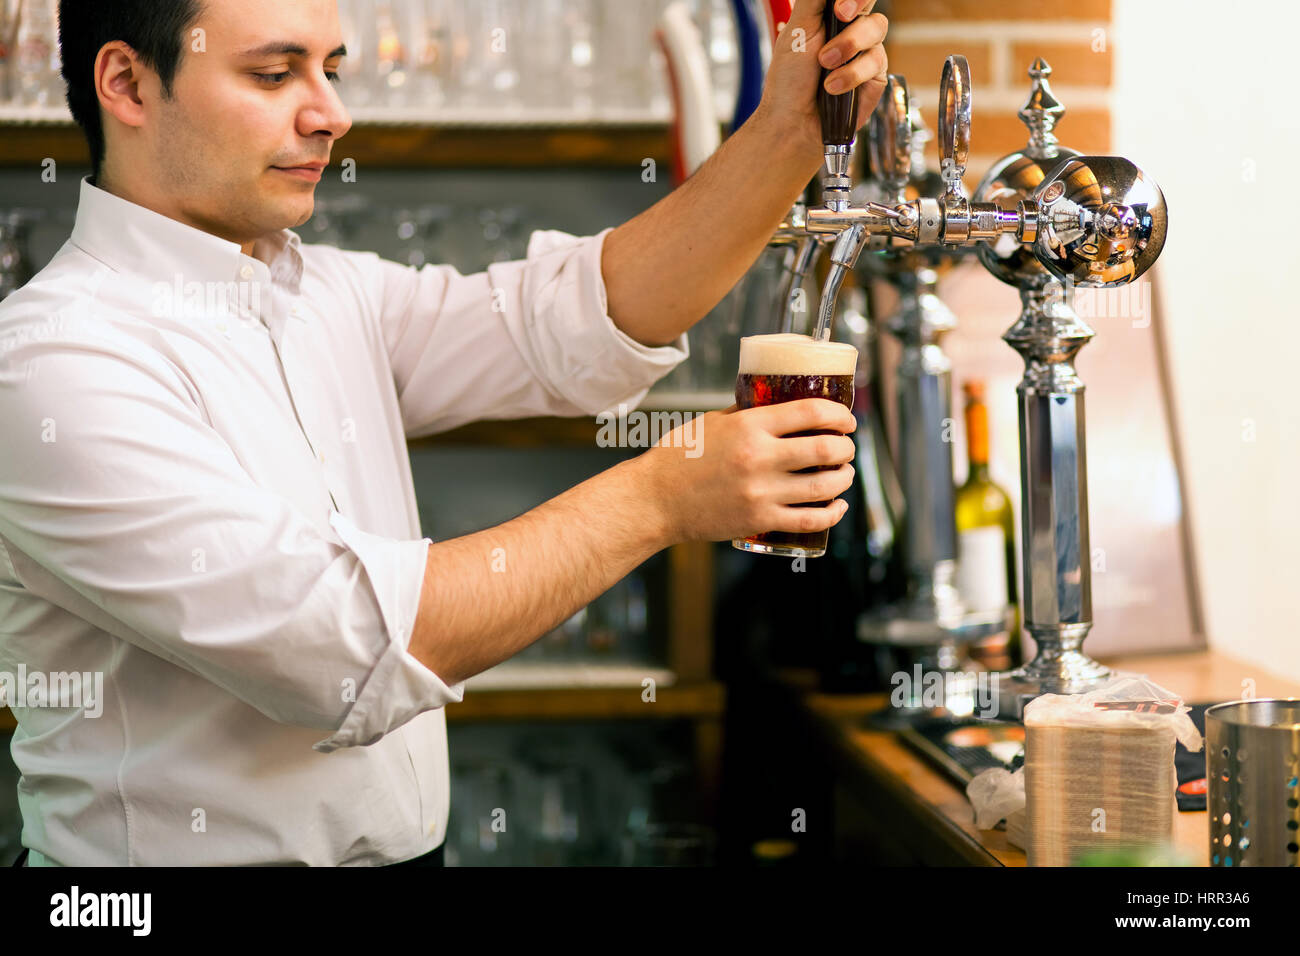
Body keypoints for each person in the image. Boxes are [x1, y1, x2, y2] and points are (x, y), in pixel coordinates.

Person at [0, 0, 887, 865]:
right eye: (273, 74)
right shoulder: (53, 362)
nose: (332, 115)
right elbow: (339, 646)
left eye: (331, 71)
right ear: (128, 84)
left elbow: (575, 320)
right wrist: (659, 499)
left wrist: (790, 129)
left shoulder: (323, 292)